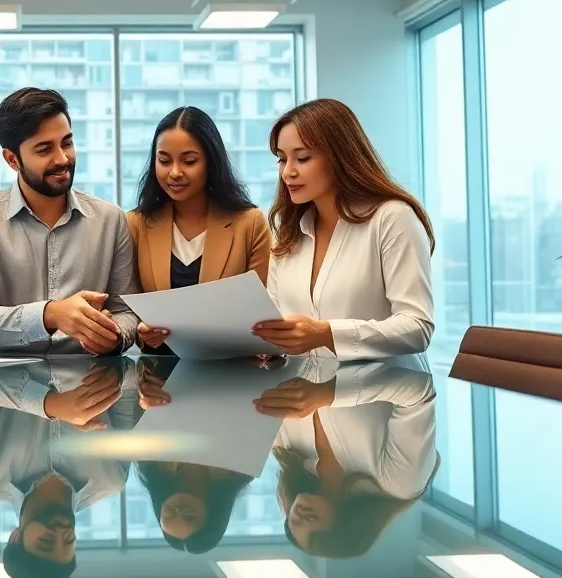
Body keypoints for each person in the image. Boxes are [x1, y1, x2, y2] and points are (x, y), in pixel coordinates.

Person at [0, 88, 140, 355]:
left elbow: (126, 312)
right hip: (0, 390)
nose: (62, 159)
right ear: (12, 159)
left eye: (67, 143)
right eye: (44, 149)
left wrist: (115, 334)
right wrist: (50, 314)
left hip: (88, 385)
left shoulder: (110, 219)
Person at [255, 98, 435, 361]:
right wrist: (266, 344)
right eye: (282, 160)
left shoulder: (392, 218)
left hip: (385, 394)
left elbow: (418, 328)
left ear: (340, 157)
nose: (288, 172)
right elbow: (278, 320)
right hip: (303, 395)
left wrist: (326, 333)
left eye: (302, 158)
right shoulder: (287, 229)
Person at [0, 358, 142, 577]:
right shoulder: (113, 477)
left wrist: (48, 404)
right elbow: (134, 380)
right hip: (91, 341)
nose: (62, 532)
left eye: (46, 541)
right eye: (69, 541)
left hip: (11, 340)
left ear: (16, 537)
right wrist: (116, 375)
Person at [255, 359, 439, 558]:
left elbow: (265, 375)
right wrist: (328, 394)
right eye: (317, 539)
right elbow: (418, 390)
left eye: (291, 526)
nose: (299, 520)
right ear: (347, 530)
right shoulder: (400, 483)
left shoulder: (288, 454)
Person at [127, 106, 271, 355]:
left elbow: (263, 314)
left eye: (189, 161)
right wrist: (141, 333)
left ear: (211, 162)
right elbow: (127, 311)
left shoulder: (250, 223)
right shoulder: (136, 224)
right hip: (157, 379)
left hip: (232, 372)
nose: (174, 172)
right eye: (164, 161)